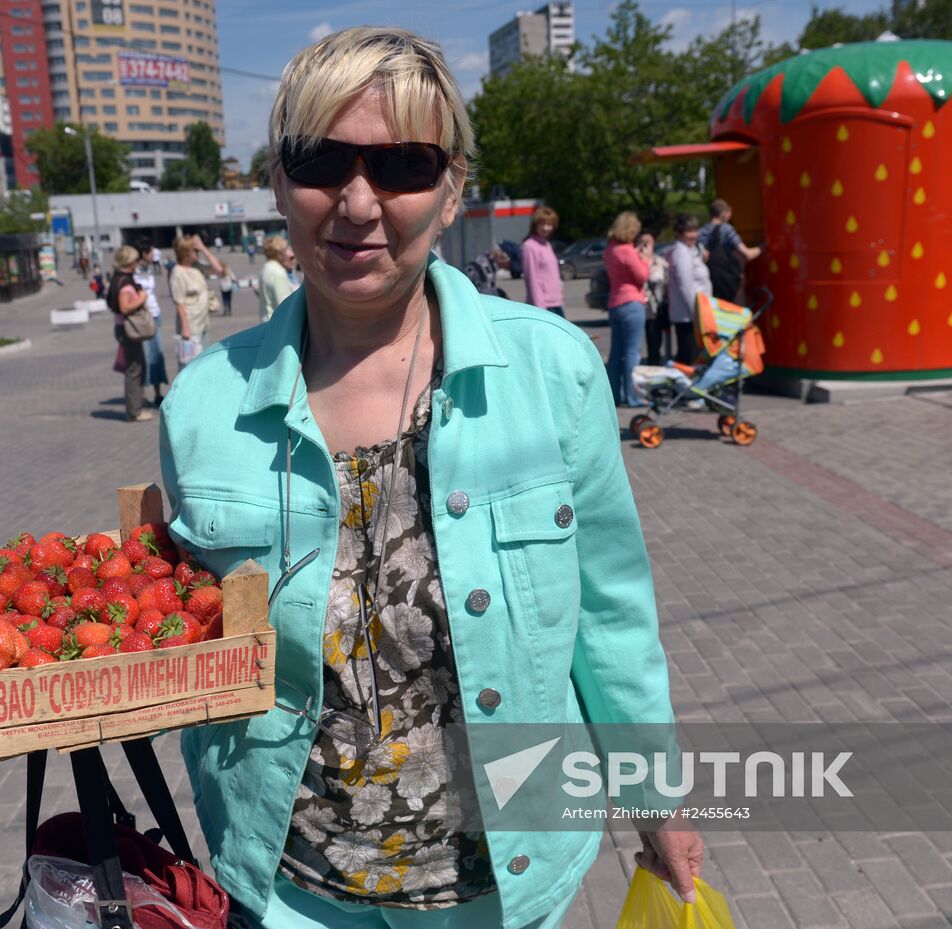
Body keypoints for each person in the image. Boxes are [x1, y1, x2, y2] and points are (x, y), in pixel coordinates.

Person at [161, 26, 698, 928]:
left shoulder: (551, 374)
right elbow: (163, 619)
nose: (359, 203)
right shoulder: (204, 404)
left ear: (452, 192)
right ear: (279, 182)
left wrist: (655, 792)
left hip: (502, 880)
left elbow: (609, 612)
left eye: (403, 165)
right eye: (322, 160)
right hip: (287, 889)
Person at [603, 212, 649, 407]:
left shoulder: (610, 249)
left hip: (615, 303)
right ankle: (633, 396)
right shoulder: (627, 250)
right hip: (631, 303)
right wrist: (646, 258)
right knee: (632, 353)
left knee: (615, 354)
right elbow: (642, 276)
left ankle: (615, 394)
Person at [106, 246, 154, 422]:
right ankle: (135, 411)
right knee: (134, 369)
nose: (136, 264)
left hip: (123, 327)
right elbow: (125, 307)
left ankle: (136, 406)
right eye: (134, 261)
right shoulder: (125, 283)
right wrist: (141, 298)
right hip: (128, 329)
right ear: (129, 262)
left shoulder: (117, 278)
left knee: (136, 366)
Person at [663, 213, 710, 367]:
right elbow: (686, 286)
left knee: (690, 355)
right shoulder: (681, 252)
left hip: (692, 314)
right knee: (688, 358)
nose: (694, 235)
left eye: (695, 230)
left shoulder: (689, 250)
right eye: (689, 231)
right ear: (678, 233)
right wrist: (696, 313)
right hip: (688, 315)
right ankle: (685, 389)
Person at [170, 234, 224, 363]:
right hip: (191, 324)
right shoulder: (178, 272)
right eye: (195, 251)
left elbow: (218, 269)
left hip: (203, 320)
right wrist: (185, 328)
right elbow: (179, 302)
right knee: (191, 363)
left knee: (203, 360)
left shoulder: (196, 266)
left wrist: (204, 249)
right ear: (186, 253)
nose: (198, 253)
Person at [700, 199, 760, 302]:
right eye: (729, 213)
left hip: (710, 281)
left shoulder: (701, 232)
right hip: (729, 281)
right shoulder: (726, 229)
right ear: (723, 213)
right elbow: (747, 254)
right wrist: (763, 247)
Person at [134, 235, 169, 404]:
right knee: (145, 356)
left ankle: (157, 392)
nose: (153, 255)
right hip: (143, 317)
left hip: (155, 314)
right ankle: (141, 394)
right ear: (144, 253)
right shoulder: (134, 271)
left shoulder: (148, 269)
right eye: (150, 252)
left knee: (158, 354)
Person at [520, 204, 564, 317]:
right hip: (543, 305)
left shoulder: (547, 244)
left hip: (556, 303)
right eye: (542, 224)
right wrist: (540, 309)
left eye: (549, 224)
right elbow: (531, 279)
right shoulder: (529, 246)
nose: (545, 228)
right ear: (535, 225)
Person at [639, 231, 668, 366]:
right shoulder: (636, 262)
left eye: (648, 242)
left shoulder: (660, 261)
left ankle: (659, 365)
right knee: (647, 344)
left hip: (658, 308)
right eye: (642, 242)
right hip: (644, 309)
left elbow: (665, 280)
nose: (645, 246)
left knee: (659, 341)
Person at [256, 234, 297, 322]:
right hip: (277, 324)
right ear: (280, 254)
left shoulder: (265, 269)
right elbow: (285, 305)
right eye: (286, 249)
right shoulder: (278, 272)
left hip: (266, 321)